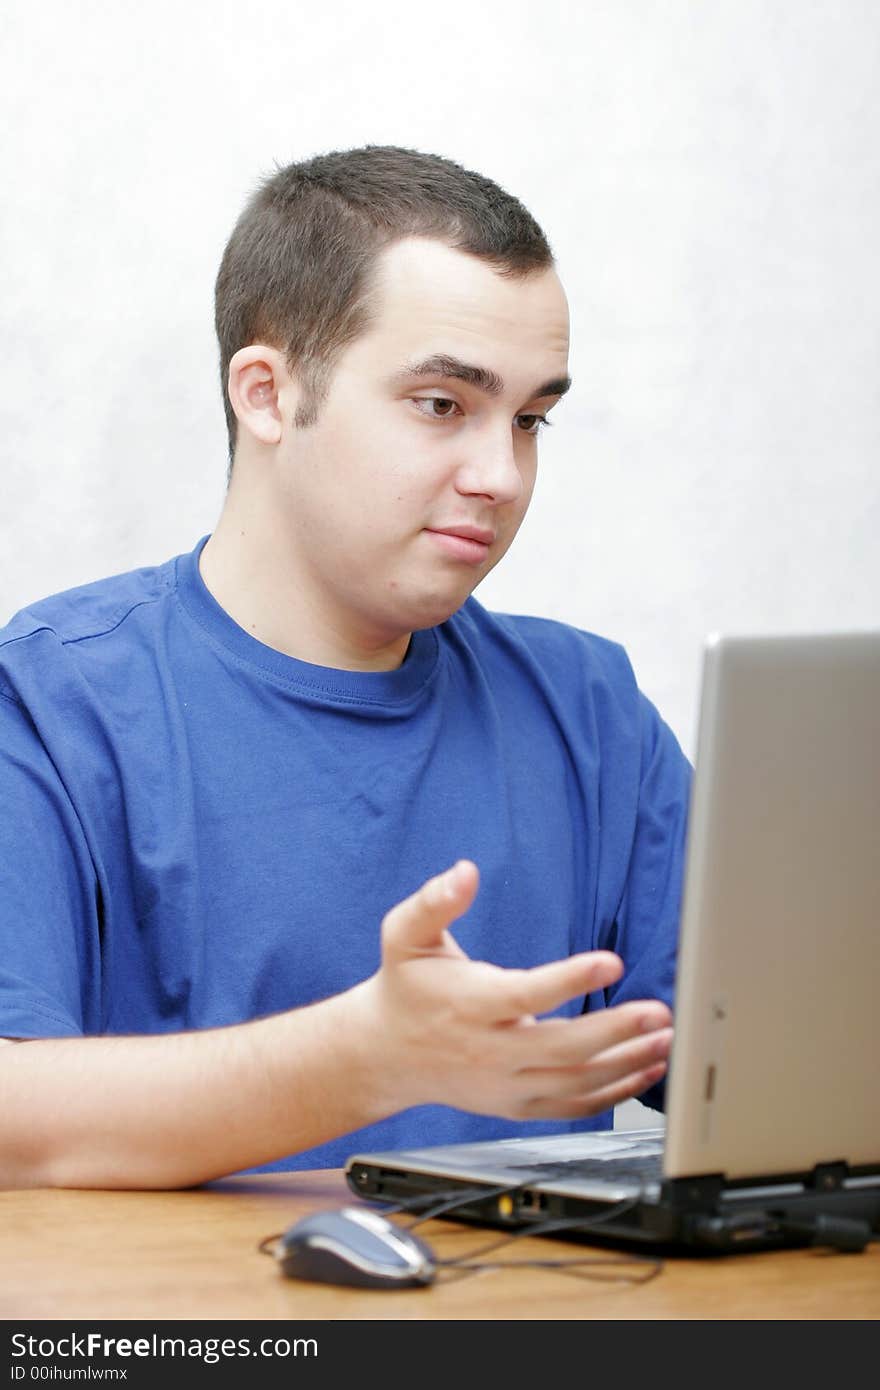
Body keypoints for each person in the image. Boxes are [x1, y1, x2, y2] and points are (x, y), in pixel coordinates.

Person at [0, 146, 690, 1190]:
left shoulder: (592, 713)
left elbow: (764, 1067)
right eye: (441, 405)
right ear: (268, 394)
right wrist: (367, 1058)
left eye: (530, 417)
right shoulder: (50, 706)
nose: (501, 475)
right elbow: (16, 1124)